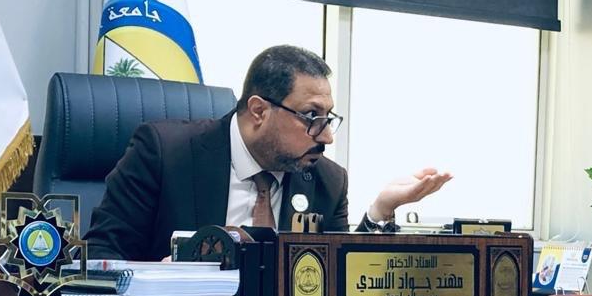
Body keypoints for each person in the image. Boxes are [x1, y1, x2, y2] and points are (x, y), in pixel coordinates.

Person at [84, 45, 452, 260]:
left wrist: (380, 212)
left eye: (328, 118)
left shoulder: (327, 181)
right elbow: (101, 254)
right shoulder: (165, 153)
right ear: (259, 111)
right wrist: (160, 282)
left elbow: (337, 277)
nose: (326, 137)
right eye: (311, 117)